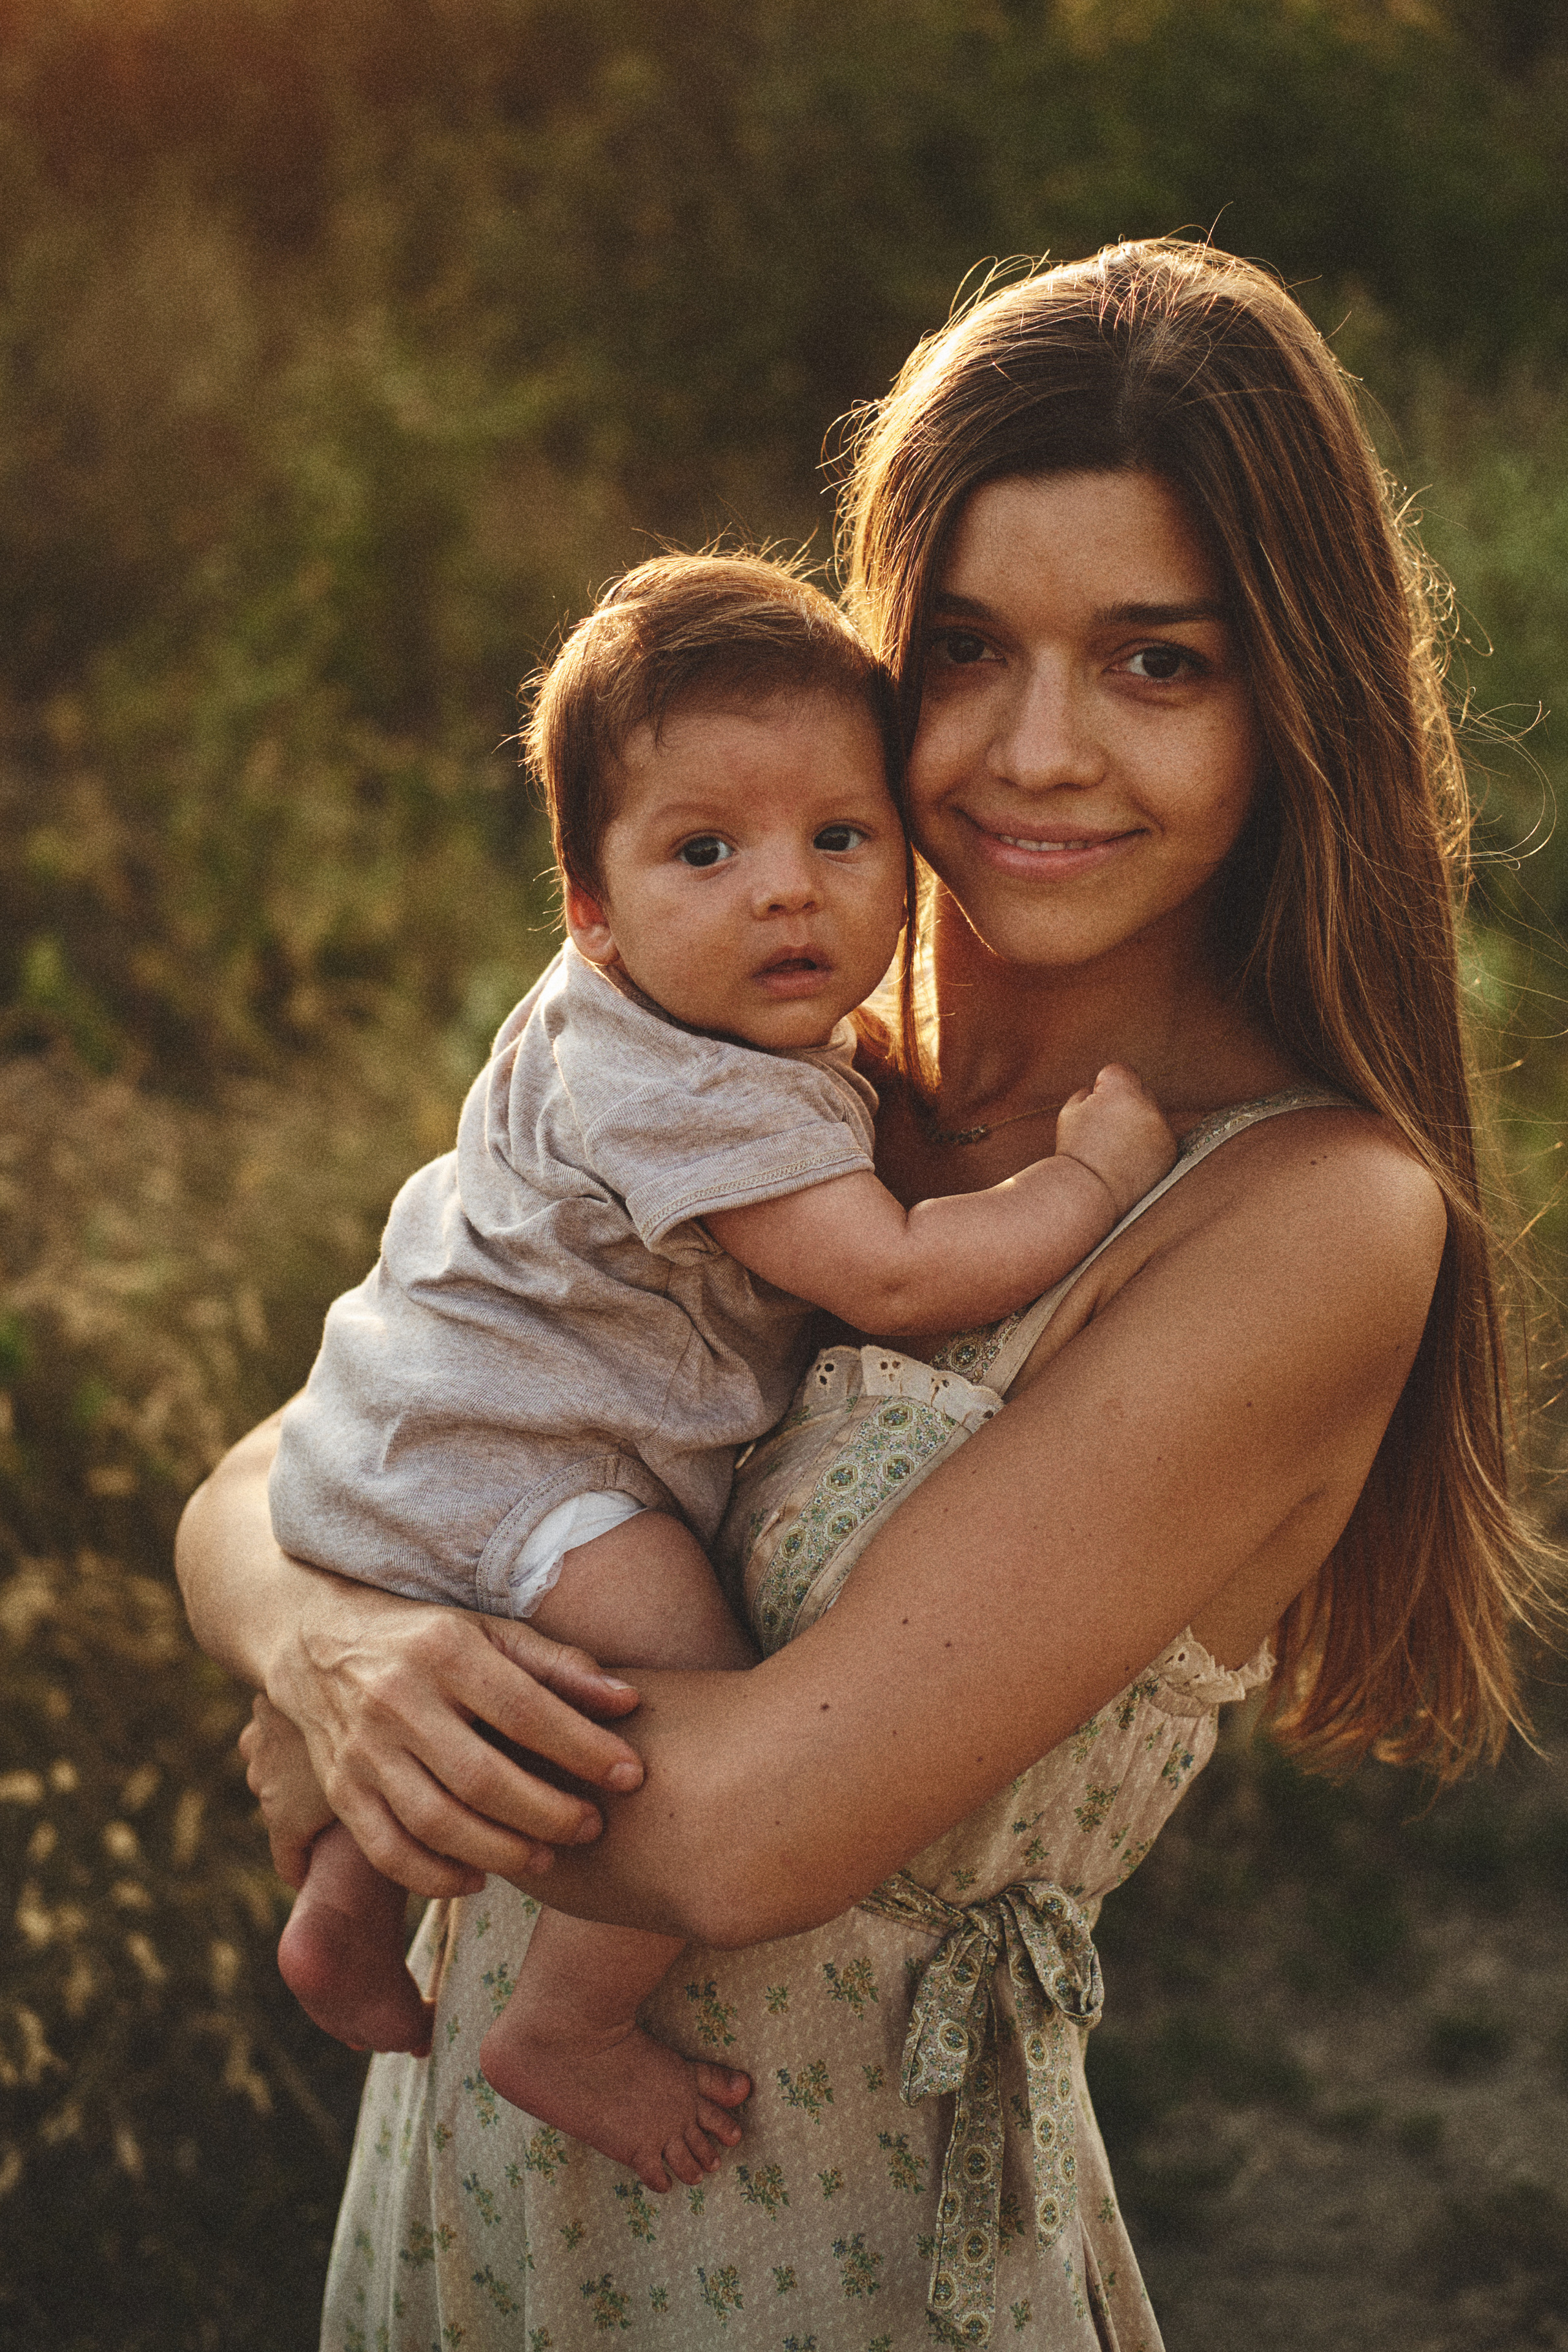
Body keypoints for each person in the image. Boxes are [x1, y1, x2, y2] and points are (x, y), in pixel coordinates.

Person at [176, 239, 1542, 2351]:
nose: (1037, 751)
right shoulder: (787, 1086)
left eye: (1159, 662)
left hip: (813, 2240)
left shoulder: (1303, 1218)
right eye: (969, 650)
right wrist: (330, 1643)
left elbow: (733, 1836)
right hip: (482, 2188)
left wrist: (350, 1704)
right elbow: (315, 1438)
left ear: (1298, 701)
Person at [263, 549, 1175, 2195]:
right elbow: (892, 1276)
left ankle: (343, 1903)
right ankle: (568, 2024)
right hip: (524, 1475)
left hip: (394, 1436)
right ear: (591, 910)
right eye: (707, 850)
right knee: (662, 1675)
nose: (786, 891)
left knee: (496, 1704)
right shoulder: (703, 1103)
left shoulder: (637, 1024)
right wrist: (1091, 1184)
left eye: (840, 838)